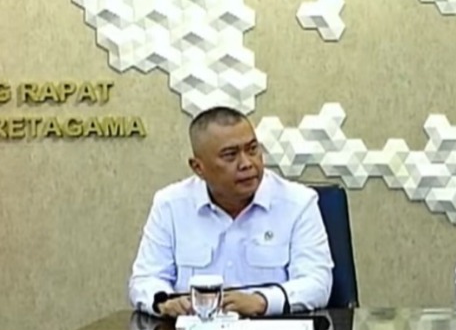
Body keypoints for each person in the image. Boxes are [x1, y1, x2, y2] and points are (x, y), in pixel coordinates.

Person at [127, 106, 334, 317]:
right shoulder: (170, 205)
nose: (247, 164)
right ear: (198, 168)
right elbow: (145, 279)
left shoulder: (298, 203)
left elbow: (317, 282)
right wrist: (166, 303)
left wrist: (262, 301)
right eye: (230, 155)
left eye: (252, 149)